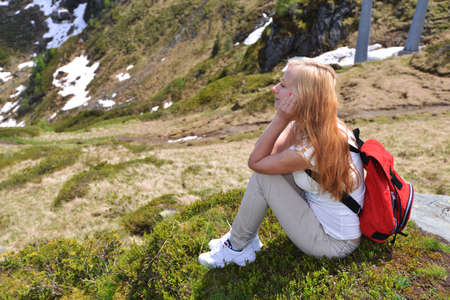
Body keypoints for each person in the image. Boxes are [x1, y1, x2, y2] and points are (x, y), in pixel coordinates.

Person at [198, 59, 365, 268]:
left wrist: (281, 119)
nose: (274, 89)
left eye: (284, 85)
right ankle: (243, 238)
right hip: (328, 222)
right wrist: (290, 120)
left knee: (263, 177)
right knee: (268, 174)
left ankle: (236, 248)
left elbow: (257, 163)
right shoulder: (321, 126)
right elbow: (273, 155)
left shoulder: (314, 147)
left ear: (303, 96)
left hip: (334, 243)